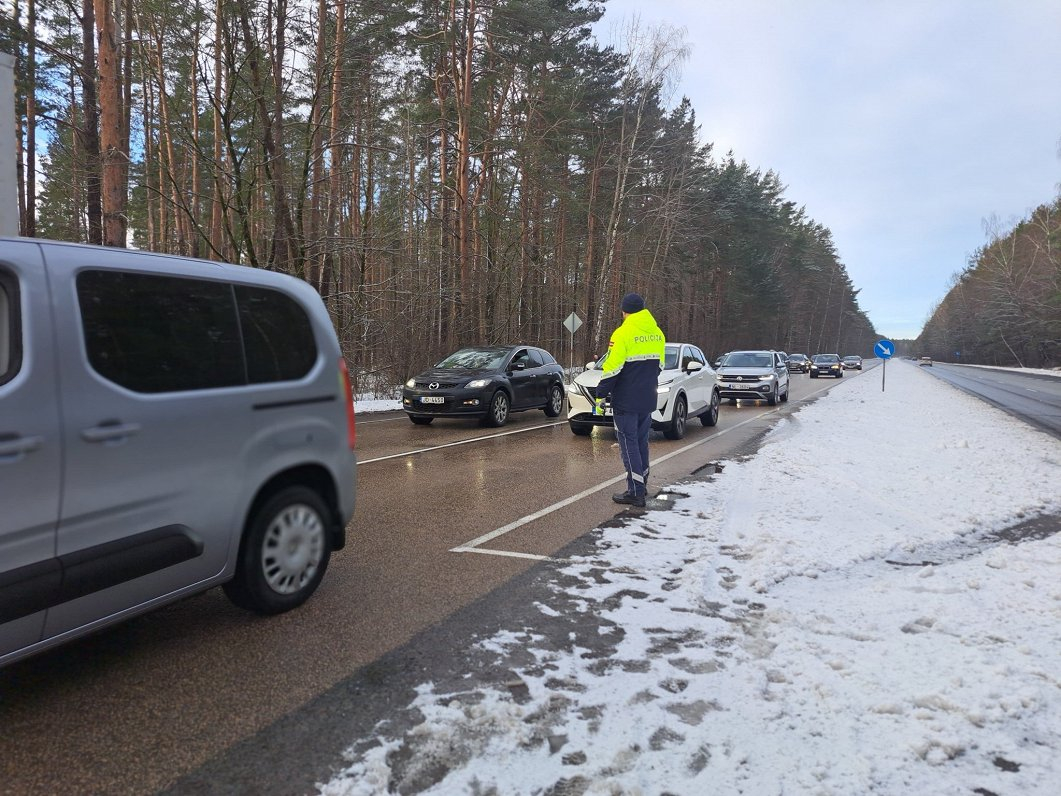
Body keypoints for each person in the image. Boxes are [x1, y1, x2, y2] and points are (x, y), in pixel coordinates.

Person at [594, 292, 666, 507]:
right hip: (647, 397)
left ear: (624, 311)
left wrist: (600, 393)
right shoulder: (657, 333)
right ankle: (642, 483)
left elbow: (612, 369)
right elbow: (660, 366)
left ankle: (635, 492)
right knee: (642, 441)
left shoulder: (622, 333)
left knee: (628, 443)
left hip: (626, 400)